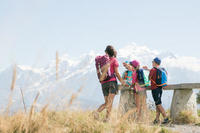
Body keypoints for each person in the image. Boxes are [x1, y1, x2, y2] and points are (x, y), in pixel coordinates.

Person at [95, 45, 125, 122]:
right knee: (110, 102)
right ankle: (98, 114)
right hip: (111, 82)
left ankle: (106, 118)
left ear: (106, 52)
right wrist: (122, 82)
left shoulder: (104, 61)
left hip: (103, 83)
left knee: (107, 102)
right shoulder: (114, 60)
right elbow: (117, 73)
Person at [143, 57, 170, 124]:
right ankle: (157, 119)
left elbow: (149, 78)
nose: (152, 63)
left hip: (155, 89)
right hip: (160, 88)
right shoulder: (161, 69)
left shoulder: (153, 70)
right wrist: (148, 69)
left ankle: (165, 117)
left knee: (158, 103)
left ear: (154, 62)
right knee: (157, 103)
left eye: (152, 62)